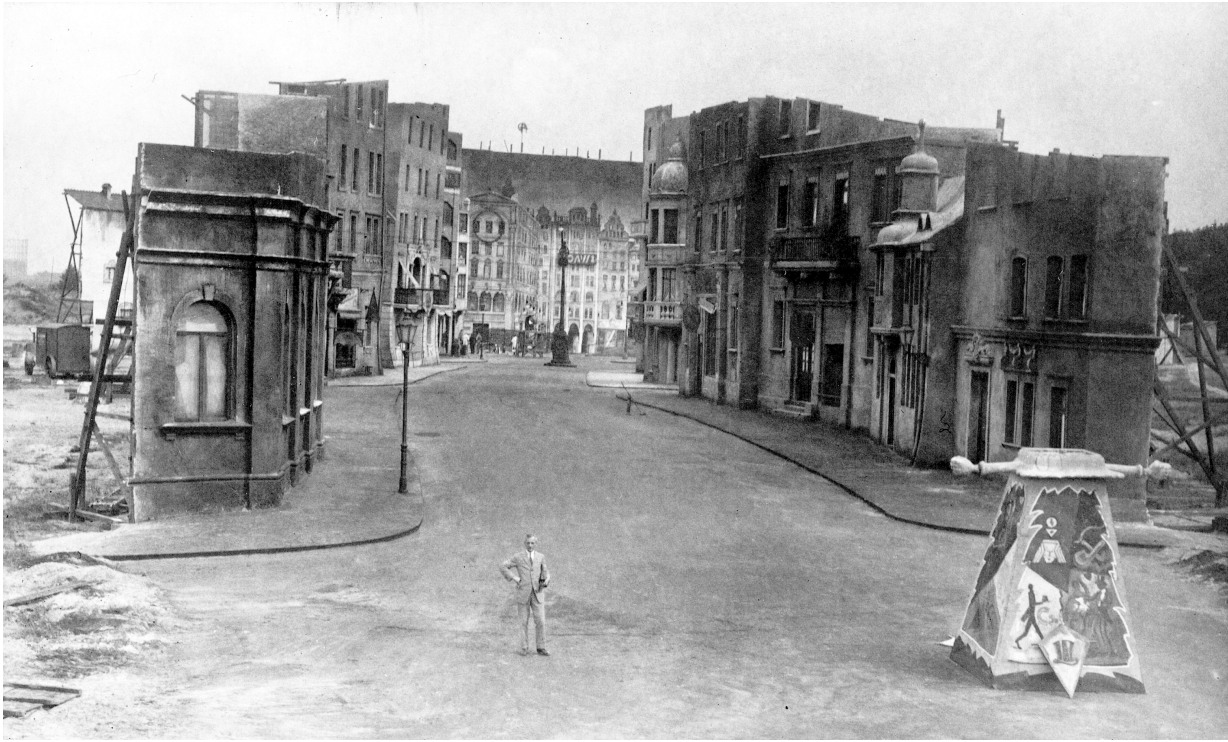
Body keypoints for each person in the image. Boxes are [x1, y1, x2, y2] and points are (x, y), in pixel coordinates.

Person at [499, 534, 550, 656]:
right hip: (523, 593)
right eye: (528, 543)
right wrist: (514, 578)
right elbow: (503, 566)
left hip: (537, 593)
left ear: (536, 544)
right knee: (523, 622)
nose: (530, 545)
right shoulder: (518, 557)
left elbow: (545, 571)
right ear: (524, 543)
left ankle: (541, 647)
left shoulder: (540, 557)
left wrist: (547, 579)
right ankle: (524, 647)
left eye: (532, 543)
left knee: (541, 621)